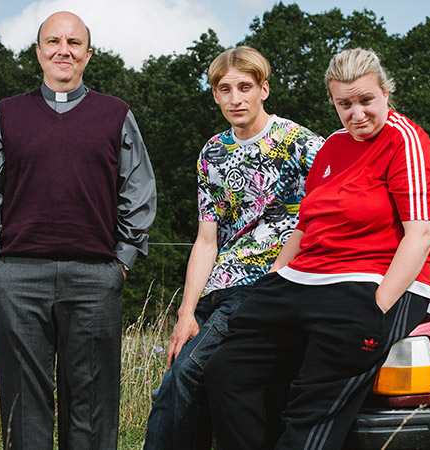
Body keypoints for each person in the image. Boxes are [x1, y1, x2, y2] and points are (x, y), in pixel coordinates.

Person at [204, 47, 430, 449]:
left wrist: (378, 306)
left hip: (368, 282)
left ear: (385, 92)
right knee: (227, 372)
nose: (357, 114)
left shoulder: (407, 142)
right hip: (300, 280)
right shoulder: (333, 145)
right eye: (345, 104)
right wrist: (273, 279)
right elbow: (304, 227)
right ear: (334, 103)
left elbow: (420, 235)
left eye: (366, 100)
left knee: (310, 405)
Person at [0, 11, 156, 449]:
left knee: (92, 401)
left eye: (74, 43)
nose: (63, 50)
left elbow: (139, 188)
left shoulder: (116, 114)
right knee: (22, 401)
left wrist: (122, 260)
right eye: (53, 41)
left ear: (88, 54)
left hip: (95, 277)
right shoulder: (2, 115)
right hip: (17, 276)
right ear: (38, 52)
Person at [143, 46, 325, 449]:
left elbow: (328, 212)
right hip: (218, 286)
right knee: (185, 378)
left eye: (245, 87)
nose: (235, 98)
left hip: (264, 286)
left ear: (264, 89)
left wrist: (278, 280)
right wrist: (186, 311)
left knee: (186, 375)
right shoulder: (212, 153)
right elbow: (207, 238)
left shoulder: (299, 143)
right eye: (225, 89)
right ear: (214, 95)